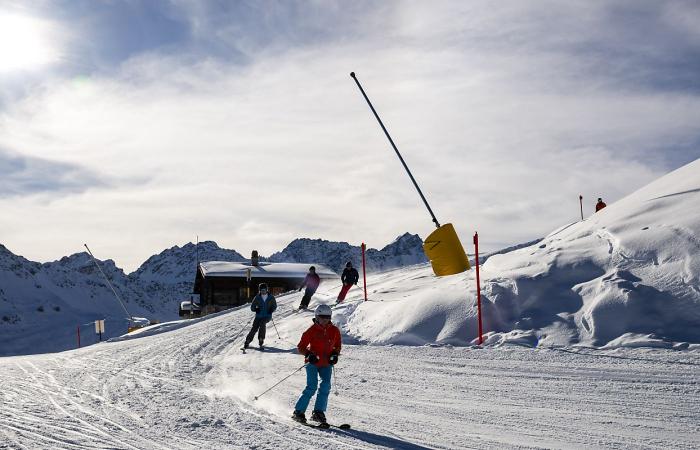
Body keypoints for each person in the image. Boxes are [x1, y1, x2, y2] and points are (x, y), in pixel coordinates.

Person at [292, 304, 341, 424]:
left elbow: (337, 345)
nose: (325, 320)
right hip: (313, 362)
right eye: (322, 317)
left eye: (328, 317)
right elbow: (301, 346)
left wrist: (334, 354)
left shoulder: (334, 330)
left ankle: (318, 412)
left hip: (326, 364)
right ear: (317, 317)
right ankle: (298, 412)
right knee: (312, 386)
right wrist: (309, 355)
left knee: (325, 386)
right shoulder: (311, 330)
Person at [243, 283, 277, 350]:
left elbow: (275, 306)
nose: (263, 292)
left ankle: (261, 339)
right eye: (261, 290)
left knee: (262, 323)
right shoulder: (257, 297)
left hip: (267, 316)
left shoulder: (271, 297)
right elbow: (252, 307)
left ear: (267, 290)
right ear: (259, 290)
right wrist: (256, 309)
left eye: (264, 290)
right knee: (254, 328)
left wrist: (271, 309)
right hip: (258, 316)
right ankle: (248, 341)